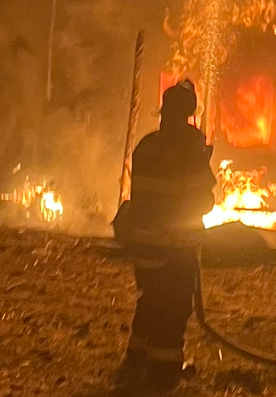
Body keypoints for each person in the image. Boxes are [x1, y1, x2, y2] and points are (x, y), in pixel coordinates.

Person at [116, 80, 215, 394]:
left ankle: (136, 359)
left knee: (150, 301)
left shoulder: (146, 146)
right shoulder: (189, 151)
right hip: (174, 249)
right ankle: (163, 373)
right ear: (188, 114)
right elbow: (203, 201)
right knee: (172, 309)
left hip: (144, 247)